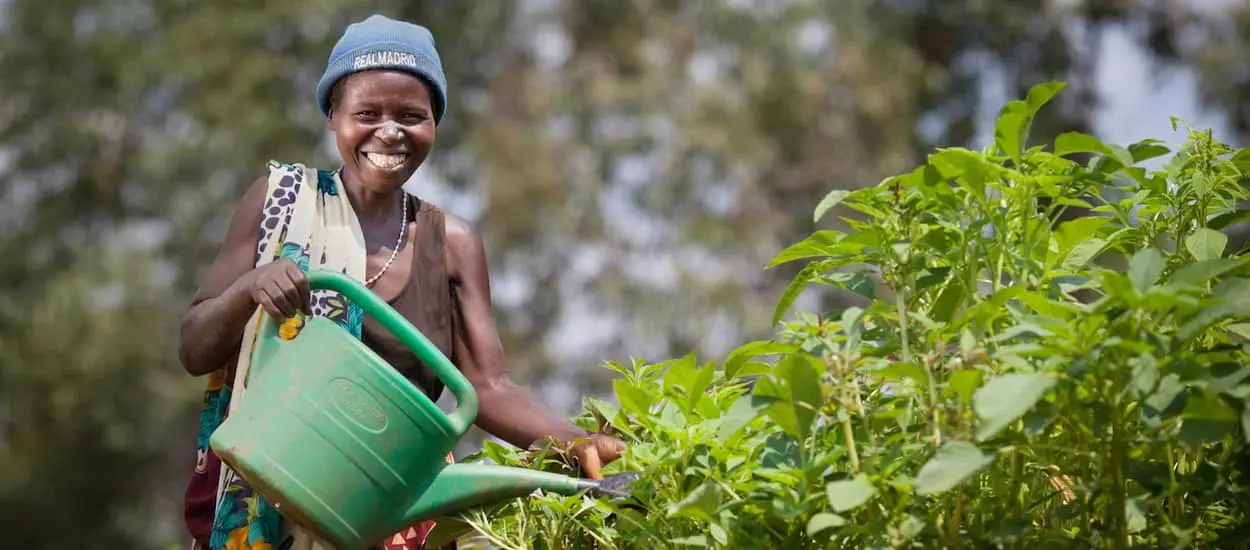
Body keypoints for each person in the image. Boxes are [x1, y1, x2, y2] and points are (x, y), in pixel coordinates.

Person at [177, 14, 627, 550]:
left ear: (434, 123)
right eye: (367, 113)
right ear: (332, 117)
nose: (389, 132)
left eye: (411, 116)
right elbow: (195, 346)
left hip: (390, 512)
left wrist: (581, 443)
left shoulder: (452, 242)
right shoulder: (281, 203)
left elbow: (487, 388)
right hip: (267, 502)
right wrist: (251, 286)